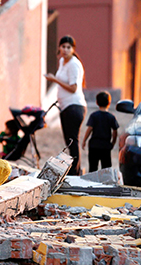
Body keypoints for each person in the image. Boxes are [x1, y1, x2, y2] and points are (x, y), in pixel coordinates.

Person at [44, 35, 87, 175]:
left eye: (69, 47)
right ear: (59, 47)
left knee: (72, 141)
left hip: (74, 106)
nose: (65, 50)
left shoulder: (74, 64)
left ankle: (75, 172)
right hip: (65, 107)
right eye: (63, 47)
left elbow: (73, 88)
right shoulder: (62, 61)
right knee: (68, 141)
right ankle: (73, 170)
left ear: (73, 49)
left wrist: (54, 79)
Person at [82, 91, 119, 172]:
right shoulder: (111, 117)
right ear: (109, 103)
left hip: (94, 145)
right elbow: (115, 131)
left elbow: (89, 129)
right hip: (105, 146)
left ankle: (92, 183)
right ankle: (104, 183)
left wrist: (84, 140)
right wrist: (113, 142)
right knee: (106, 168)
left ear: (96, 102)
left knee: (93, 167)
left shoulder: (94, 115)